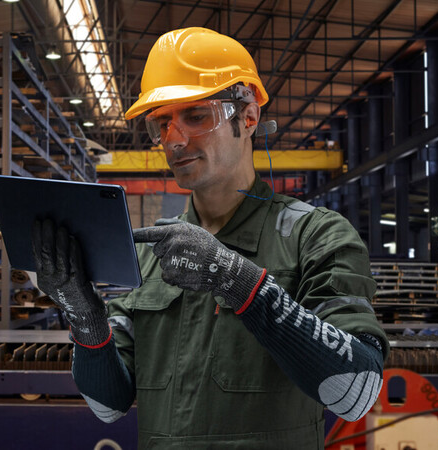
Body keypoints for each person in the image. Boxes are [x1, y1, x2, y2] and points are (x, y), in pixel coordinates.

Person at [32, 27, 388, 448]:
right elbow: (109, 407)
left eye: (196, 116)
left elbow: (357, 392)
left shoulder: (315, 236)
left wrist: (238, 282)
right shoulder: (151, 254)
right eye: (162, 124)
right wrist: (85, 318)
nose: (174, 140)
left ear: (249, 116)